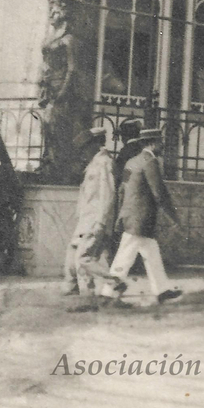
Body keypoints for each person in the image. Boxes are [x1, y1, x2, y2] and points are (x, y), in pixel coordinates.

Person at [108, 128, 183, 305]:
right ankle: (108, 292)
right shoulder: (150, 162)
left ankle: (162, 290)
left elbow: (122, 189)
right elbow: (159, 192)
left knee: (151, 251)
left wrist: (122, 213)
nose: (162, 145)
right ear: (152, 143)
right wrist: (173, 216)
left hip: (130, 216)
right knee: (125, 256)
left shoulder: (131, 162)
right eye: (160, 141)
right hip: (141, 219)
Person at [66, 125, 127, 312]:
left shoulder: (104, 163)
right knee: (74, 259)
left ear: (94, 145)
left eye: (85, 148)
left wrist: (101, 222)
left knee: (83, 259)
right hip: (85, 221)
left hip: (95, 221)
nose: (83, 153)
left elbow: (108, 194)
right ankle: (84, 295)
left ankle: (111, 285)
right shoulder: (94, 163)